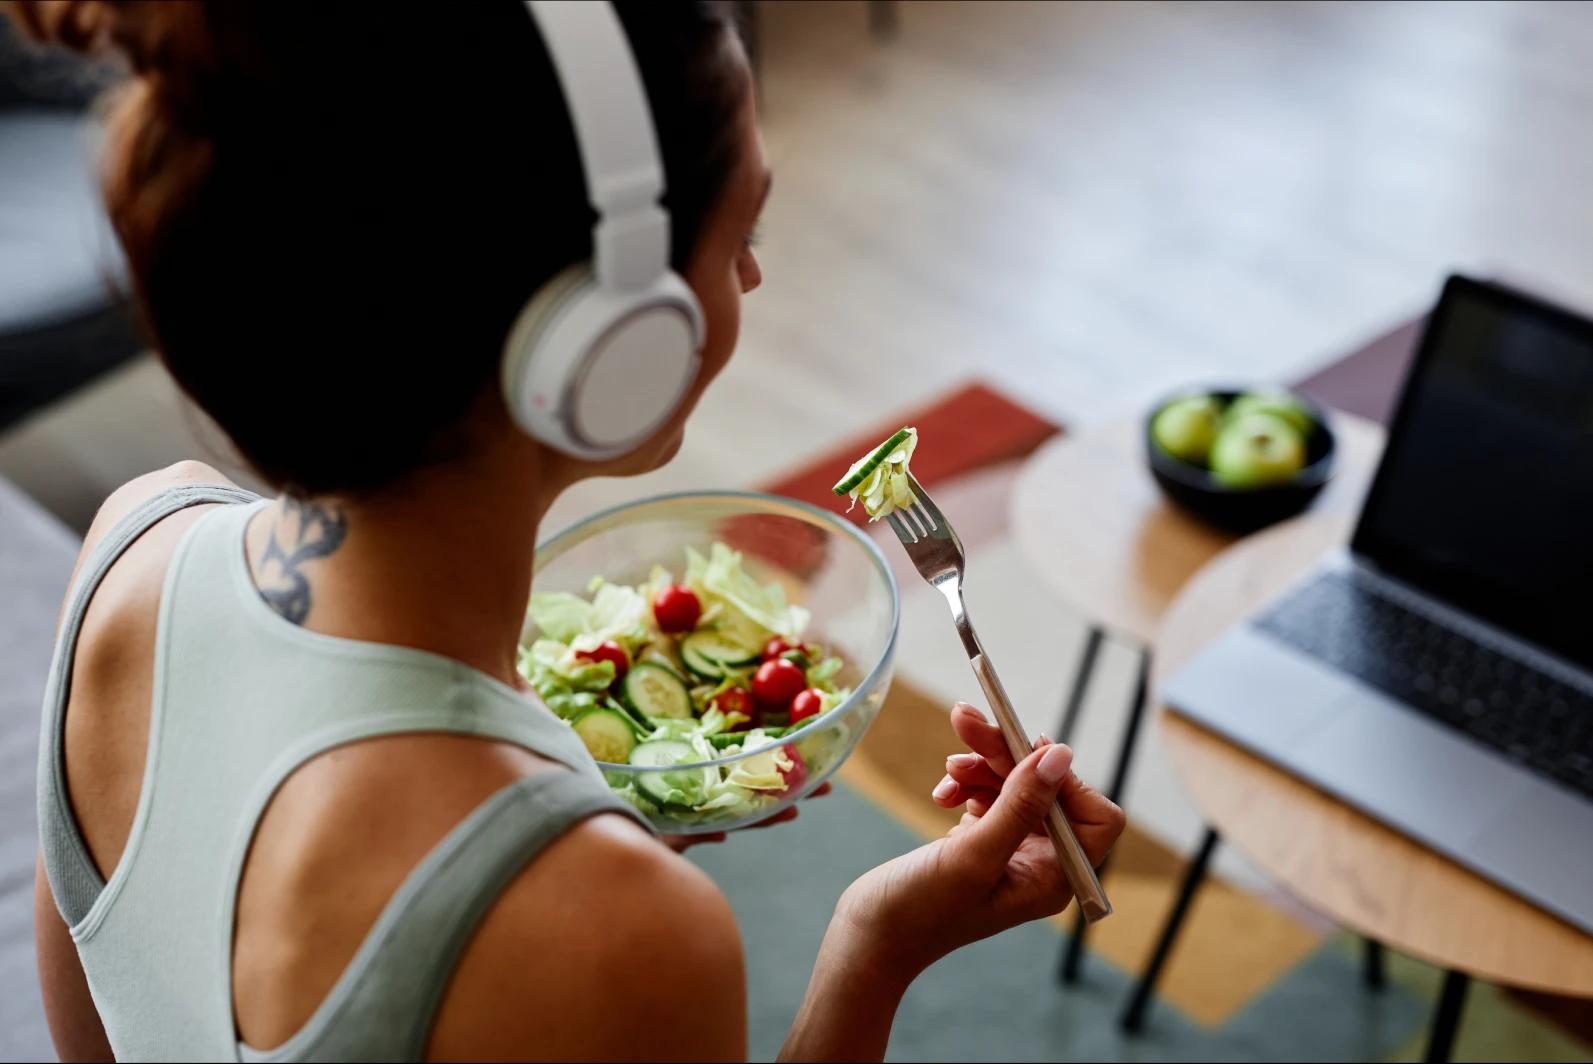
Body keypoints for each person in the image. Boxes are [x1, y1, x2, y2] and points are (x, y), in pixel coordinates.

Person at [15, 2, 1125, 1061]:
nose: (752, 273)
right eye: (741, 230)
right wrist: (875, 950)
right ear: (611, 336)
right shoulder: (613, 927)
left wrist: (553, 813)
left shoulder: (132, 546)